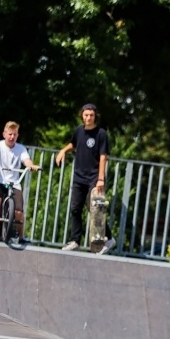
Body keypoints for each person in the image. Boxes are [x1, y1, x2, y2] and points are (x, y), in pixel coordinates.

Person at [55, 103, 115, 253]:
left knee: (95, 209)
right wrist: (63, 151)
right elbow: (73, 143)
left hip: (94, 177)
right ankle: (75, 241)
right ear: (82, 115)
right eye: (86, 115)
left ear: (95, 117)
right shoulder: (78, 131)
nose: (88, 118)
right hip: (79, 176)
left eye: (91, 115)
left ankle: (109, 239)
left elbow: (103, 157)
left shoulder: (101, 133)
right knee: (75, 208)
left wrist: (101, 178)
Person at [0, 121, 40, 242]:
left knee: (19, 212)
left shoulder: (21, 149)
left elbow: (26, 160)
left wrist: (31, 166)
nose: (12, 137)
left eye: (14, 134)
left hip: (14, 182)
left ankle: (21, 237)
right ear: (4, 134)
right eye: (10, 134)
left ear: (17, 135)